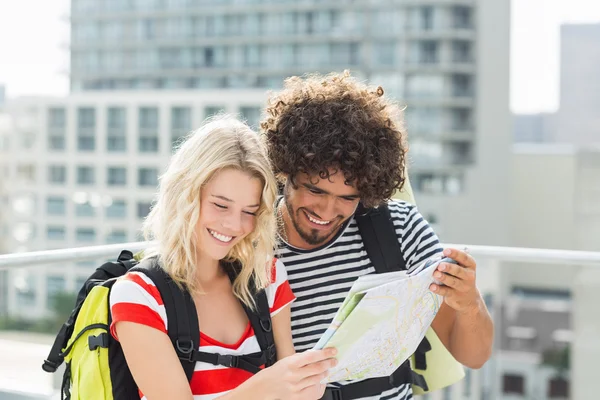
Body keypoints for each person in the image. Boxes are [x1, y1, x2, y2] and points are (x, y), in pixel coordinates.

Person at [261, 71, 494, 400]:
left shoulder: (397, 228)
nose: (327, 211)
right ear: (286, 169)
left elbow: (474, 356)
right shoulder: (250, 240)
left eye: (347, 198)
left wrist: (469, 304)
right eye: (315, 190)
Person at [109, 116, 337, 400]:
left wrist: (307, 386)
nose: (234, 225)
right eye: (220, 205)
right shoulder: (139, 294)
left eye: (250, 211)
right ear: (185, 195)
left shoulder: (267, 275)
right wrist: (261, 389)